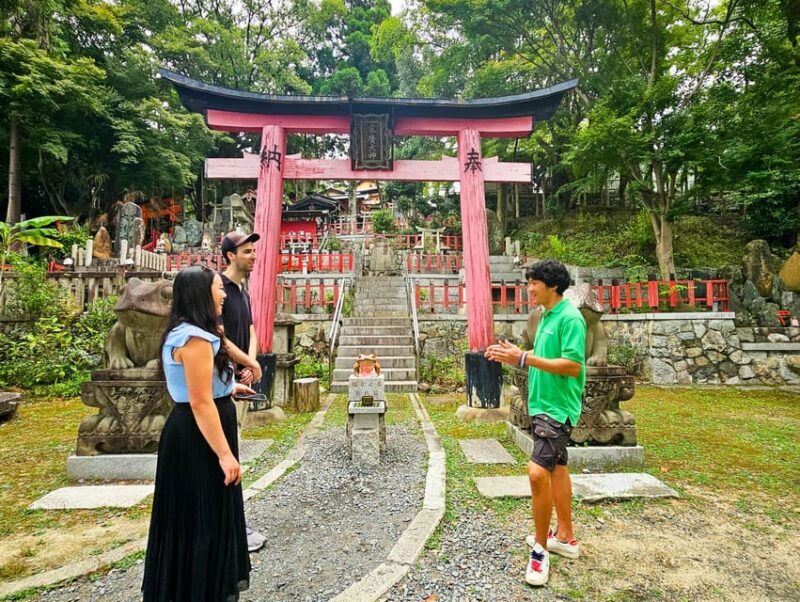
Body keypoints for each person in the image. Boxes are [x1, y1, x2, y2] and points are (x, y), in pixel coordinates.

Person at [142, 265, 252, 601]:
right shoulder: (195, 339)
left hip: (191, 429)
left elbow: (197, 387)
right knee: (202, 512)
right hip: (198, 438)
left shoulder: (182, 331)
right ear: (201, 295)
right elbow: (201, 402)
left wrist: (229, 387)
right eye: (219, 288)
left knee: (189, 513)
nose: (223, 295)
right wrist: (225, 455)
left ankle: (189, 586)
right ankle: (202, 589)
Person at [485, 259, 586, 587]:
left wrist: (523, 358)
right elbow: (543, 354)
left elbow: (572, 365)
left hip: (558, 408)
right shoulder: (546, 316)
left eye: (534, 283)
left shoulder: (570, 317)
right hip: (542, 403)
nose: (529, 288)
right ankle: (566, 537)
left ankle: (541, 551)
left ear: (552, 285)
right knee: (557, 468)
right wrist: (518, 352)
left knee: (536, 472)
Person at [219, 230, 266, 553]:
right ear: (229, 256)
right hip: (221, 382)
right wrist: (248, 362)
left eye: (253, 250)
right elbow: (217, 337)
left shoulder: (242, 292)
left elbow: (249, 328)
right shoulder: (216, 289)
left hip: (241, 380)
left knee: (234, 447)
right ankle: (231, 525)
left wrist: (251, 362)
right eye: (247, 251)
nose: (253, 255)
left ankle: (233, 520)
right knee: (226, 454)